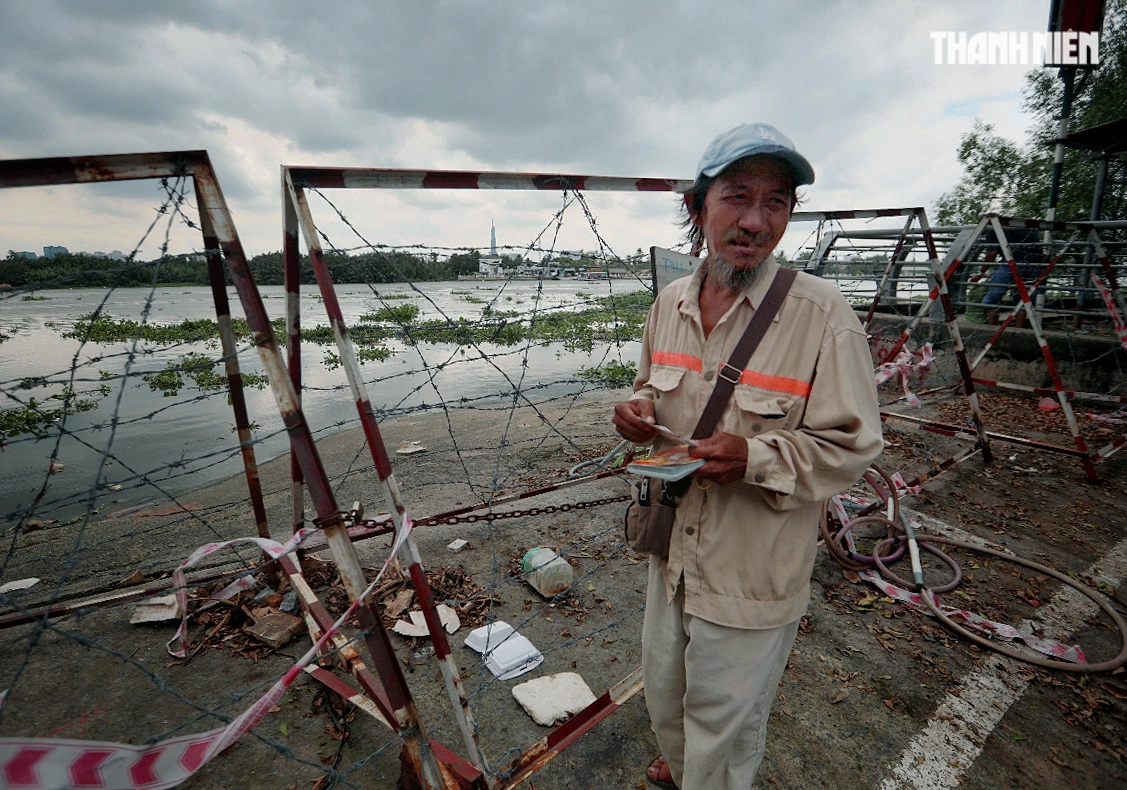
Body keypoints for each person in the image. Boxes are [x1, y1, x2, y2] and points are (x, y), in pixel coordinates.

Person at [613, 123, 882, 790]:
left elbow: (851, 445)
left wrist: (755, 456)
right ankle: (680, 769)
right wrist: (636, 411)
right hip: (671, 551)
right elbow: (651, 386)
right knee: (665, 691)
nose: (755, 220)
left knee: (725, 723)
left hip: (751, 567)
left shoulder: (822, 315)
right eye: (736, 197)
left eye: (776, 202)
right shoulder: (668, 304)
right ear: (697, 207)